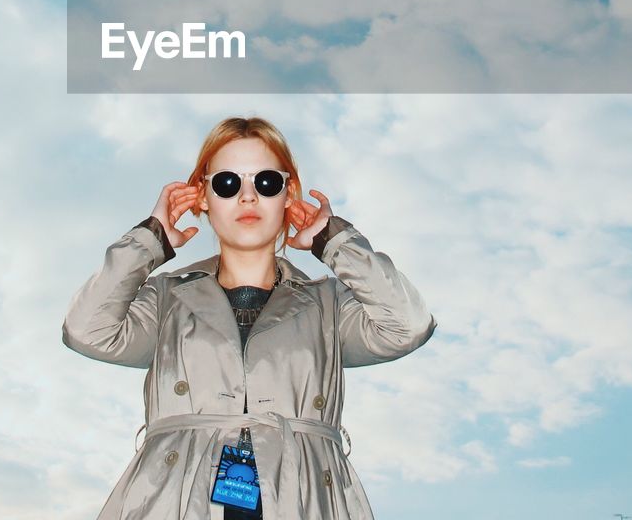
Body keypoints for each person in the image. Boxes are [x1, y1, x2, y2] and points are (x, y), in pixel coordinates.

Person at [62, 116, 437, 519]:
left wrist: (334, 241)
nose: (247, 197)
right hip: (177, 501)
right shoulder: (166, 299)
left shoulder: (328, 306)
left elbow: (408, 325)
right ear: (202, 196)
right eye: (226, 183)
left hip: (304, 499)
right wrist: (149, 240)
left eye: (266, 182)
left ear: (288, 192)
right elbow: (87, 330)